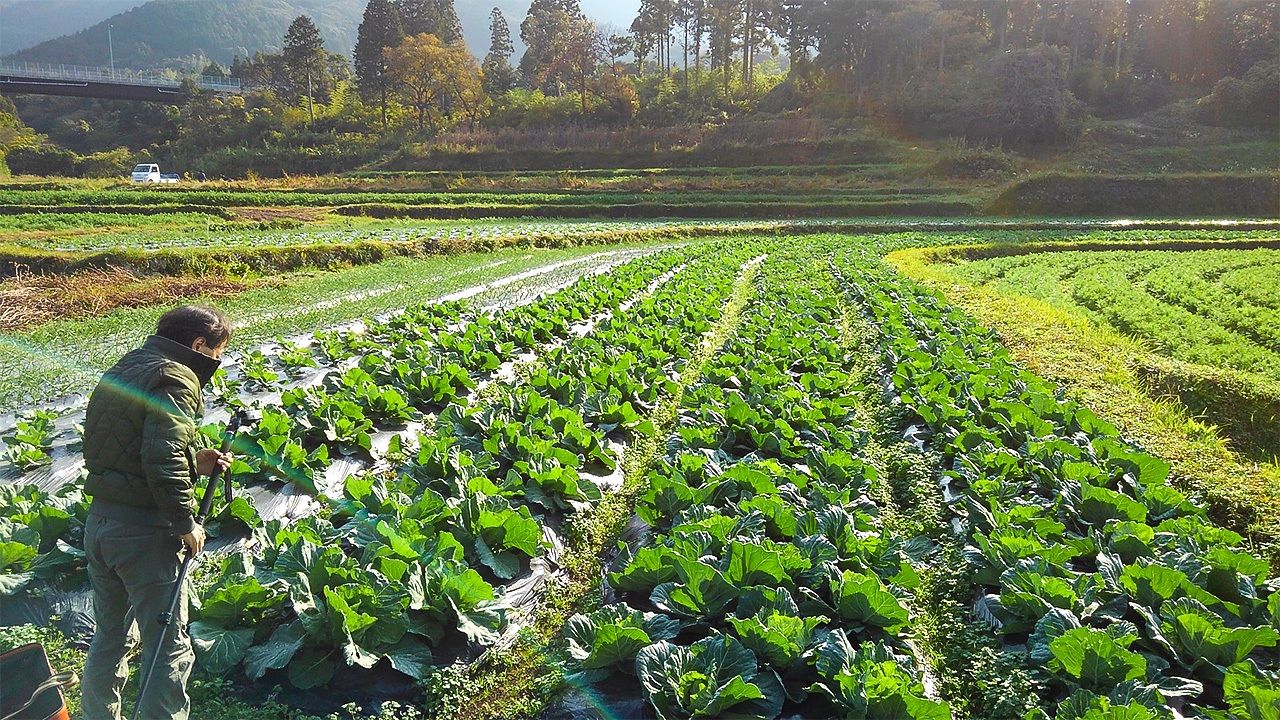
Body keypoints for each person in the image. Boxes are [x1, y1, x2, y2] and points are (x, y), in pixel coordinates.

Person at [79, 306, 234, 720]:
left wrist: (194, 463)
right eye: (218, 352)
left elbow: (124, 448)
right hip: (143, 533)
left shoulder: (128, 365)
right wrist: (185, 524)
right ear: (199, 345)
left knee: (109, 635)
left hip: (101, 525)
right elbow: (161, 458)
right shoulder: (177, 377)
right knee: (167, 644)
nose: (217, 363)